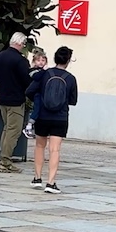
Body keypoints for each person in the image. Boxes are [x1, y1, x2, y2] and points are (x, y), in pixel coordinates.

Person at [24, 47, 78, 194]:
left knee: (40, 146)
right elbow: (73, 101)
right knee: (54, 150)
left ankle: (37, 178)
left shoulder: (45, 74)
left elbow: (29, 91)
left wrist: (40, 101)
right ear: (68, 61)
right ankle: (51, 182)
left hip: (42, 115)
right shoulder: (71, 78)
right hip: (60, 117)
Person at [0, 33, 33, 173]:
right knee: (13, 131)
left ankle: (3, 158)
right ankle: (5, 161)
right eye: (24, 44)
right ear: (20, 43)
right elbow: (27, 81)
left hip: (2, 98)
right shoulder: (20, 61)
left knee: (7, 128)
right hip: (16, 100)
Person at [23, 48, 48, 140]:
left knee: (40, 110)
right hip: (35, 93)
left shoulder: (44, 72)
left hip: (42, 94)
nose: (41, 62)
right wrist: (44, 72)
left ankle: (34, 126)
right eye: (38, 60)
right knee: (36, 109)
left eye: (43, 60)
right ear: (34, 61)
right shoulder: (32, 70)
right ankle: (29, 126)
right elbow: (36, 77)